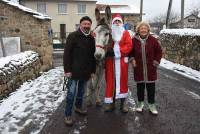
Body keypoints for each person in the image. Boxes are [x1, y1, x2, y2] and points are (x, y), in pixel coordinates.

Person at [63, 16, 96, 126]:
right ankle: (68, 115)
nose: (86, 26)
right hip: (73, 71)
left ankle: (78, 107)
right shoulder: (73, 36)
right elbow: (66, 54)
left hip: (85, 72)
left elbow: (93, 57)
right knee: (71, 94)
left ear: (90, 25)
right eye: (84, 24)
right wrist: (67, 70)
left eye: (88, 24)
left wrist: (92, 71)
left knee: (81, 93)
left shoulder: (92, 39)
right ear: (80, 25)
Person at [129, 22, 162, 115]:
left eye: (145, 28)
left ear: (148, 30)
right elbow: (130, 52)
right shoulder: (133, 40)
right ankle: (140, 104)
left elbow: (159, 51)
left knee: (151, 89)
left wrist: (156, 61)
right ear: (138, 30)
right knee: (140, 88)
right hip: (138, 69)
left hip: (150, 69)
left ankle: (152, 105)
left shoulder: (153, 40)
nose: (143, 30)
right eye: (141, 28)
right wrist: (132, 59)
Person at [104, 14, 133, 113]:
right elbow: (103, 42)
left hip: (121, 62)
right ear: (112, 23)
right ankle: (111, 103)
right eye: (115, 21)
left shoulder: (125, 33)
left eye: (118, 21)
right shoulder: (109, 33)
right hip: (110, 61)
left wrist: (116, 51)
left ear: (121, 23)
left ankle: (123, 103)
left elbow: (129, 46)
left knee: (122, 81)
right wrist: (107, 50)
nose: (117, 23)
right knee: (111, 81)